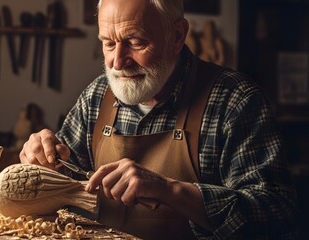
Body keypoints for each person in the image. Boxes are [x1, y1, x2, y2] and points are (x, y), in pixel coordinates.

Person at [19, 0, 299, 239]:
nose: (117, 62)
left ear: (177, 36)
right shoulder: (97, 96)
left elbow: (277, 214)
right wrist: (42, 163)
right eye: (108, 43)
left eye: (135, 42)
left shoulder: (234, 101)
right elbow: (66, 184)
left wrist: (171, 191)